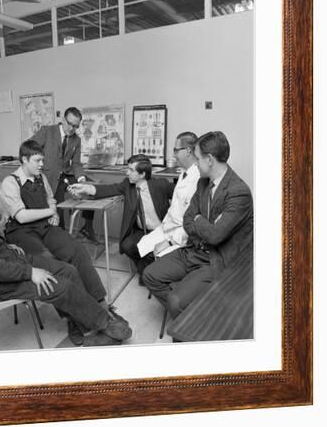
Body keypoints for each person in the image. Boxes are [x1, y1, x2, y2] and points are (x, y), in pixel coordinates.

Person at [0, 153, 132, 348]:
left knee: (68, 270)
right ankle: (99, 325)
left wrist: (4, 244)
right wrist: (30, 273)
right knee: (61, 286)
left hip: (10, 260)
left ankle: (86, 320)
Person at [0, 141, 131, 345]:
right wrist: (51, 212)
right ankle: (75, 319)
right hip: (21, 232)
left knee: (77, 250)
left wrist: (53, 213)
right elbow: (22, 216)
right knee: (52, 263)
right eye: (37, 160)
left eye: (42, 159)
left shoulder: (40, 177)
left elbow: (50, 198)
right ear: (24, 159)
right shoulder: (10, 182)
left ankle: (100, 305)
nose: (42, 164)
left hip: (44, 226)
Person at [142, 131, 253, 320]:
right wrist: (202, 223)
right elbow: (188, 219)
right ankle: (192, 316)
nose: (195, 163)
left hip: (216, 259)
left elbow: (216, 235)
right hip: (194, 250)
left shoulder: (238, 192)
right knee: (150, 275)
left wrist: (199, 220)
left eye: (198, 158)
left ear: (209, 159)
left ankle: (189, 320)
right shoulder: (203, 183)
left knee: (177, 301)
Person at [68, 154, 174, 277]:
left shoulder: (161, 184)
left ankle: (148, 269)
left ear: (142, 174)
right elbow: (108, 189)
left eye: (131, 170)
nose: (127, 173)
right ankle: (146, 268)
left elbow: (182, 195)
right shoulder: (127, 185)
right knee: (127, 245)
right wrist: (85, 188)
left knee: (152, 269)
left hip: (162, 231)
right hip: (143, 231)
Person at [32, 107, 97, 241]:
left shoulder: (76, 140)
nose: (72, 128)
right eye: (70, 124)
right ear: (63, 120)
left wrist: (82, 180)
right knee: (58, 211)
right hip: (48, 177)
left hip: (65, 174)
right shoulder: (47, 131)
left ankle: (87, 227)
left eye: (76, 126)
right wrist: (37, 170)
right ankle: (60, 241)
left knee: (92, 188)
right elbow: (29, 150)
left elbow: (77, 164)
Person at [137, 132, 201, 263]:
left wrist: (170, 242)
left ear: (188, 151)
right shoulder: (184, 173)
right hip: (168, 228)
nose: (173, 155)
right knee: (140, 247)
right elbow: (175, 208)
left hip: (180, 236)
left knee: (152, 264)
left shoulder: (198, 179)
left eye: (176, 150)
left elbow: (191, 222)